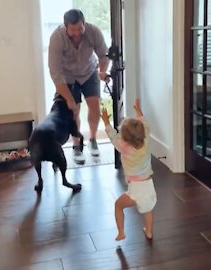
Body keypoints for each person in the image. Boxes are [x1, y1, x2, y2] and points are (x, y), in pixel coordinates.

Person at [48, 9, 110, 164]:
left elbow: (104, 54)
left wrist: (102, 71)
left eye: (79, 29)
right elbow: (55, 73)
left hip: (89, 72)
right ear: (65, 27)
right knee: (74, 111)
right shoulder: (57, 38)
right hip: (67, 77)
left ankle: (93, 140)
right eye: (73, 30)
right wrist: (69, 99)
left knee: (94, 106)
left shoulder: (93, 31)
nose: (77, 33)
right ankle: (77, 146)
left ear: (84, 23)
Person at [101, 98, 157, 241]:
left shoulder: (124, 148)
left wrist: (106, 122)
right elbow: (143, 122)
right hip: (149, 186)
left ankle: (121, 233)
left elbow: (113, 136)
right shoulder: (146, 140)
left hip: (136, 189)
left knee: (118, 206)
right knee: (148, 210)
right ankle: (149, 231)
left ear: (125, 139)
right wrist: (137, 109)